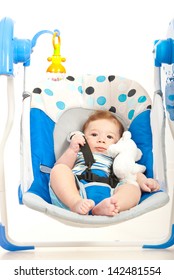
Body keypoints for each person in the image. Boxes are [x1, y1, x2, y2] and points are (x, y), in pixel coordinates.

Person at [50, 110, 160, 216]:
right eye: (94, 135)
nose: (101, 140)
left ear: (118, 142)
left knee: (132, 187)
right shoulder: (79, 152)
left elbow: (132, 173)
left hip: (110, 193)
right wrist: (71, 150)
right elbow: (62, 166)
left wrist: (145, 181)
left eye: (109, 137)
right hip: (77, 190)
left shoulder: (119, 159)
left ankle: (114, 205)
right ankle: (75, 203)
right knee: (59, 169)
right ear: (84, 137)